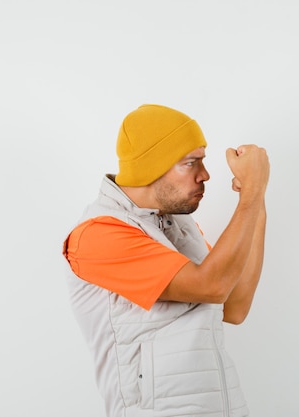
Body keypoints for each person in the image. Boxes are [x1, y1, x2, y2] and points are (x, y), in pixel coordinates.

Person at [62, 104, 269, 416]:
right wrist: (251, 191)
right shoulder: (99, 234)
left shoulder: (178, 224)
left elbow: (234, 305)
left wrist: (255, 198)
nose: (206, 175)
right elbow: (211, 286)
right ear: (151, 166)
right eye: (191, 163)